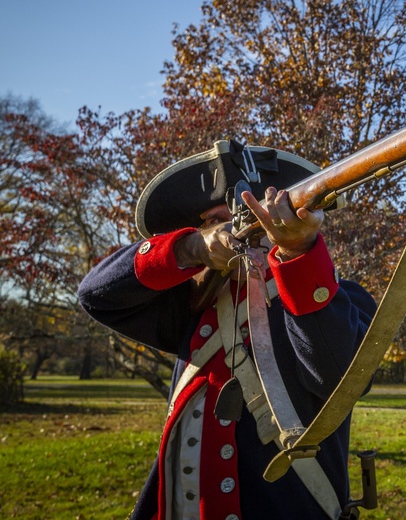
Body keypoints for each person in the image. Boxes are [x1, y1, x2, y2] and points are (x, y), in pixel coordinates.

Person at [78, 139, 376, 520]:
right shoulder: (191, 306)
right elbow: (95, 294)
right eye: (220, 221)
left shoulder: (337, 298)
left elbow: (338, 381)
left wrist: (299, 254)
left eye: (257, 217)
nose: (242, 234)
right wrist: (189, 250)